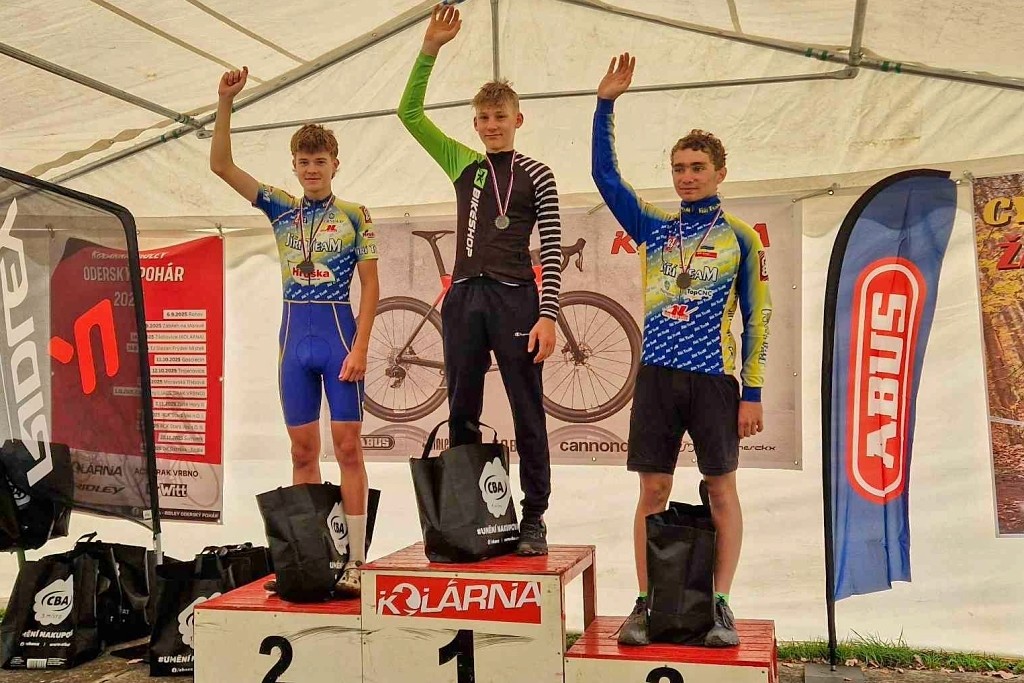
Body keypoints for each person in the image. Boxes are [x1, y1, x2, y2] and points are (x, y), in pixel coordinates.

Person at [592, 53, 772, 647]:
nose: (687, 177)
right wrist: (604, 106)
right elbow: (606, 179)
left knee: (720, 489)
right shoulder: (655, 227)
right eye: (678, 169)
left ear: (720, 173)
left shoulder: (740, 237)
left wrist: (752, 392)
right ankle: (647, 603)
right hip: (658, 377)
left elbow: (759, 316)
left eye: (697, 168)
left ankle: (720, 603)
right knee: (652, 492)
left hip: (715, 380)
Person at [397, 4, 563, 555]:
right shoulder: (462, 163)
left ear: (519, 120)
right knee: (461, 409)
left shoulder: (539, 174)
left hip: (516, 300)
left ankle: (534, 518)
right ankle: (469, 514)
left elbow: (552, 248)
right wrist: (429, 49)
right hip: (464, 297)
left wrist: (548, 315)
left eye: (501, 117)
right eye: (484, 118)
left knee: (526, 409)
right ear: (475, 124)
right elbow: (409, 114)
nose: (492, 125)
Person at [209, 67, 380, 597]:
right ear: (295, 166)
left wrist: (361, 347)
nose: (311, 169)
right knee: (302, 454)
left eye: (319, 161)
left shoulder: (355, 214)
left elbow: (372, 287)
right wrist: (225, 102)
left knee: (348, 449)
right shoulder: (281, 208)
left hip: (338, 338)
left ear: (335, 164)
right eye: (304, 162)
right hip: (293, 344)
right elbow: (221, 165)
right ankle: (311, 557)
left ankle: (356, 562)